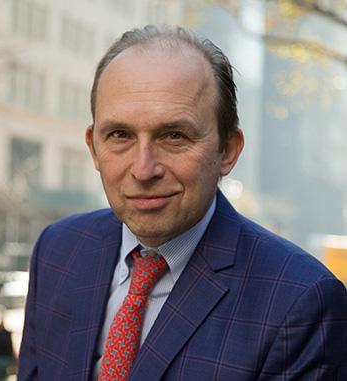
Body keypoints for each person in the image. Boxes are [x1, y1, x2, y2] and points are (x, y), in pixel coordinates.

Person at [18, 25, 347, 380]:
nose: (143, 169)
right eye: (120, 135)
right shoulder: (57, 252)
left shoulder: (300, 302)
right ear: (94, 146)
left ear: (228, 150)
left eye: (174, 135)